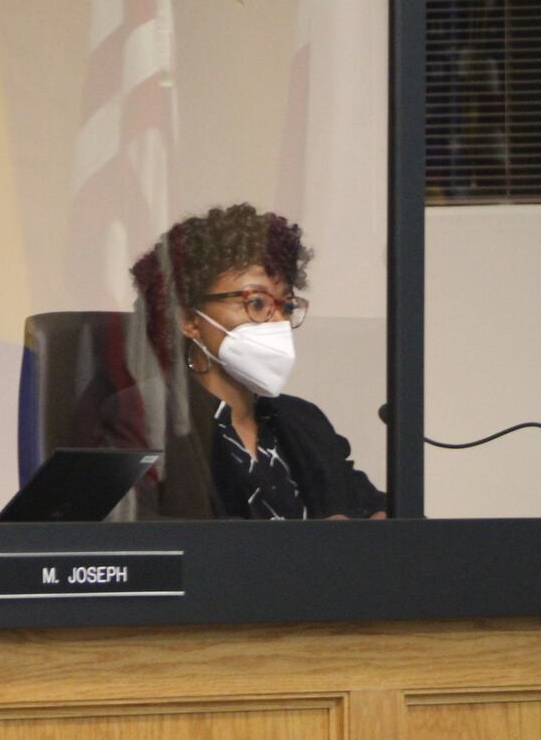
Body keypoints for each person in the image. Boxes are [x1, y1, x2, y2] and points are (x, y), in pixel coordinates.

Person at [113, 202, 386, 520]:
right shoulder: (144, 420)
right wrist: (311, 547)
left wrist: (380, 526)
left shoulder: (304, 422)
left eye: (285, 306)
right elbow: (142, 546)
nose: (276, 322)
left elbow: (377, 510)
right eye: (256, 303)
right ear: (188, 319)